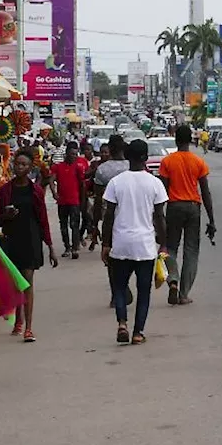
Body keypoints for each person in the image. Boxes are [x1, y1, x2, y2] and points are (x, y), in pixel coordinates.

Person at [102, 139, 169, 344]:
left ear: (127, 157)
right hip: (145, 246)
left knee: (120, 287)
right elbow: (159, 217)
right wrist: (163, 243)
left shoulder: (116, 182)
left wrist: (106, 243)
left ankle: (122, 323)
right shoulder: (154, 183)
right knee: (143, 291)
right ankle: (138, 332)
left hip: (121, 244)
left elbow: (109, 216)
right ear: (145, 158)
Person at [0, 149, 57, 342]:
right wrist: (6, 216)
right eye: (17, 163)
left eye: (24, 164)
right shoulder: (5, 191)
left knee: (28, 282)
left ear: (30, 168)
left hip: (31, 239)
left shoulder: (36, 191)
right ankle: (18, 317)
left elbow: (43, 219)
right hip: (11, 239)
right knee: (15, 283)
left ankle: (28, 328)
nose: (19, 167)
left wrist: (50, 246)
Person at [158, 125, 216, 306]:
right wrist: (211, 219)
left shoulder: (167, 162)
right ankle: (183, 294)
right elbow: (205, 192)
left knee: (171, 247)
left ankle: (173, 279)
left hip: (174, 206)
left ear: (176, 140)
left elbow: (163, 190)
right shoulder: (198, 162)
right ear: (190, 140)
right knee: (191, 251)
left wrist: (159, 214)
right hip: (193, 208)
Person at [94, 136, 133, 307]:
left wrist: (94, 224)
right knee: (131, 256)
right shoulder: (133, 167)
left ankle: (116, 292)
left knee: (110, 257)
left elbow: (97, 200)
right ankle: (125, 285)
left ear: (109, 149)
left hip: (110, 220)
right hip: (131, 218)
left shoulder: (102, 170)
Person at [50, 142, 89, 258]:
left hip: (74, 201)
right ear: (66, 153)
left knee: (74, 225)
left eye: (75, 154)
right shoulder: (58, 167)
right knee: (63, 225)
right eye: (72, 154)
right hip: (62, 201)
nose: (74, 156)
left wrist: (82, 200)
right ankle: (67, 247)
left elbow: (82, 184)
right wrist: (54, 193)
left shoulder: (77, 167)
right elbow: (51, 180)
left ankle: (75, 248)